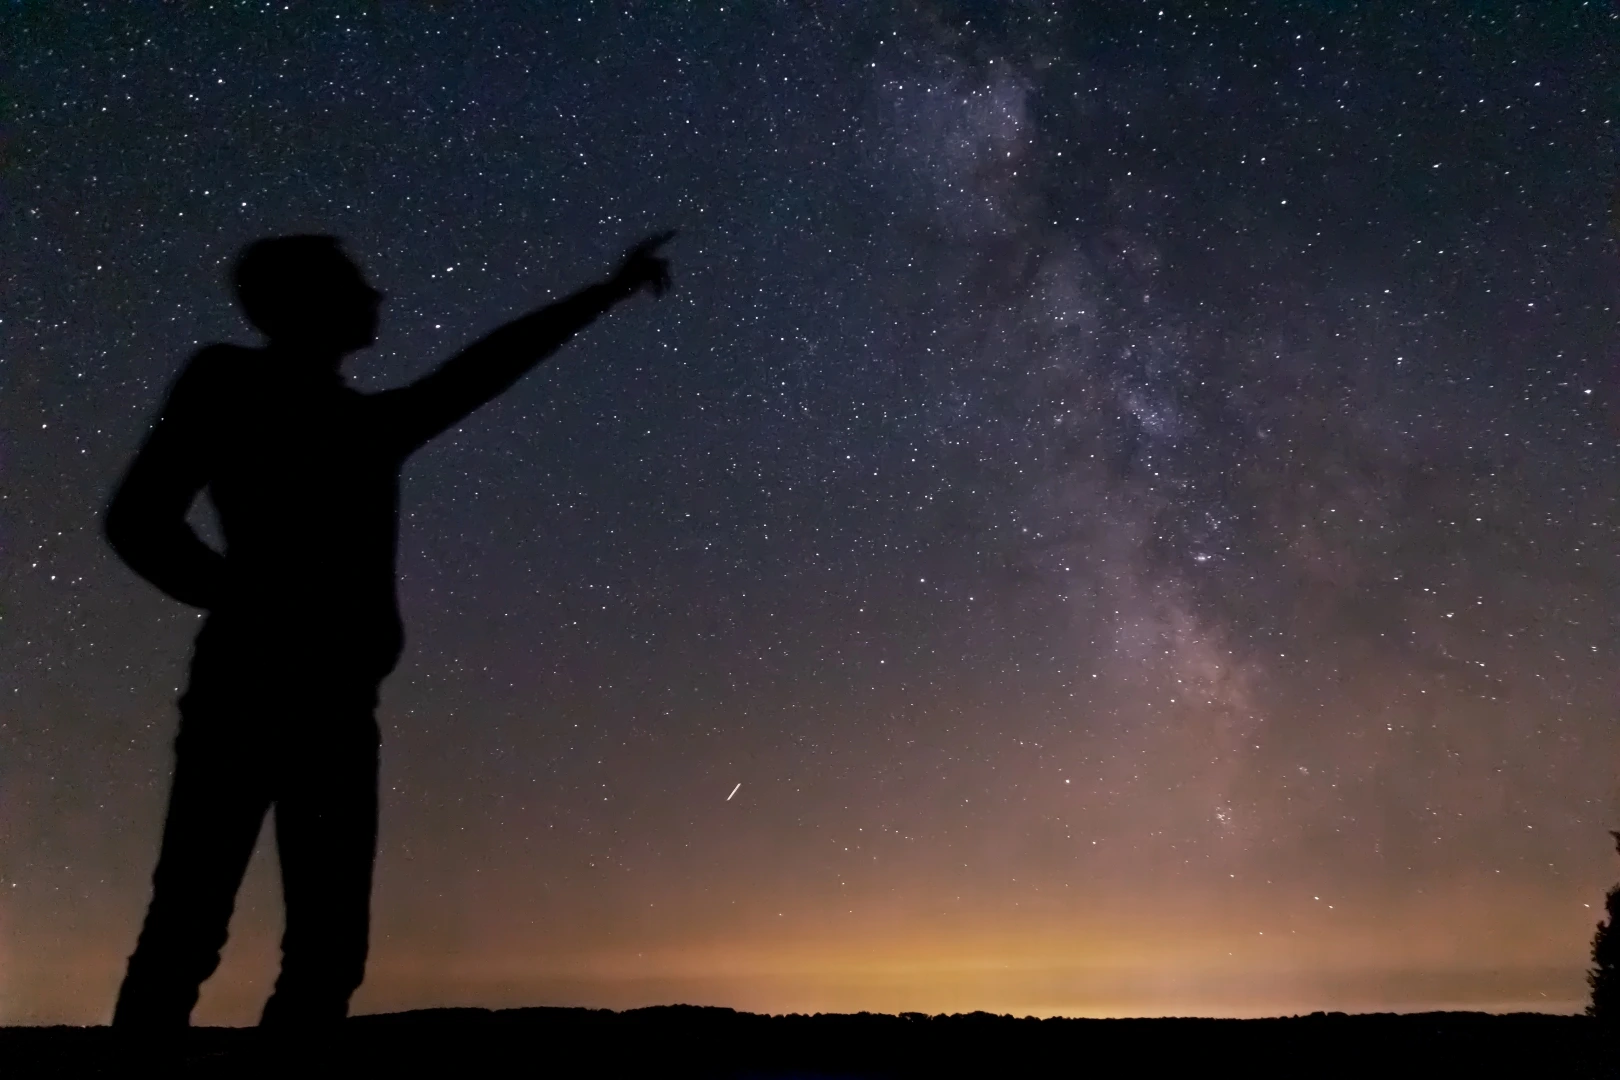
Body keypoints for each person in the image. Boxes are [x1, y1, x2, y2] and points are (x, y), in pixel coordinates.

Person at [105, 229, 675, 1030]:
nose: (379, 298)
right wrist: (252, 603)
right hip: (250, 690)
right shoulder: (233, 381)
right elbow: (138, 521)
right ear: (311, 302)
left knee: (321, 945)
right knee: (197, 925)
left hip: (333, 704)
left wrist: (604, 293)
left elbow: (481, 371)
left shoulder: (361, 424)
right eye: (359, 284)